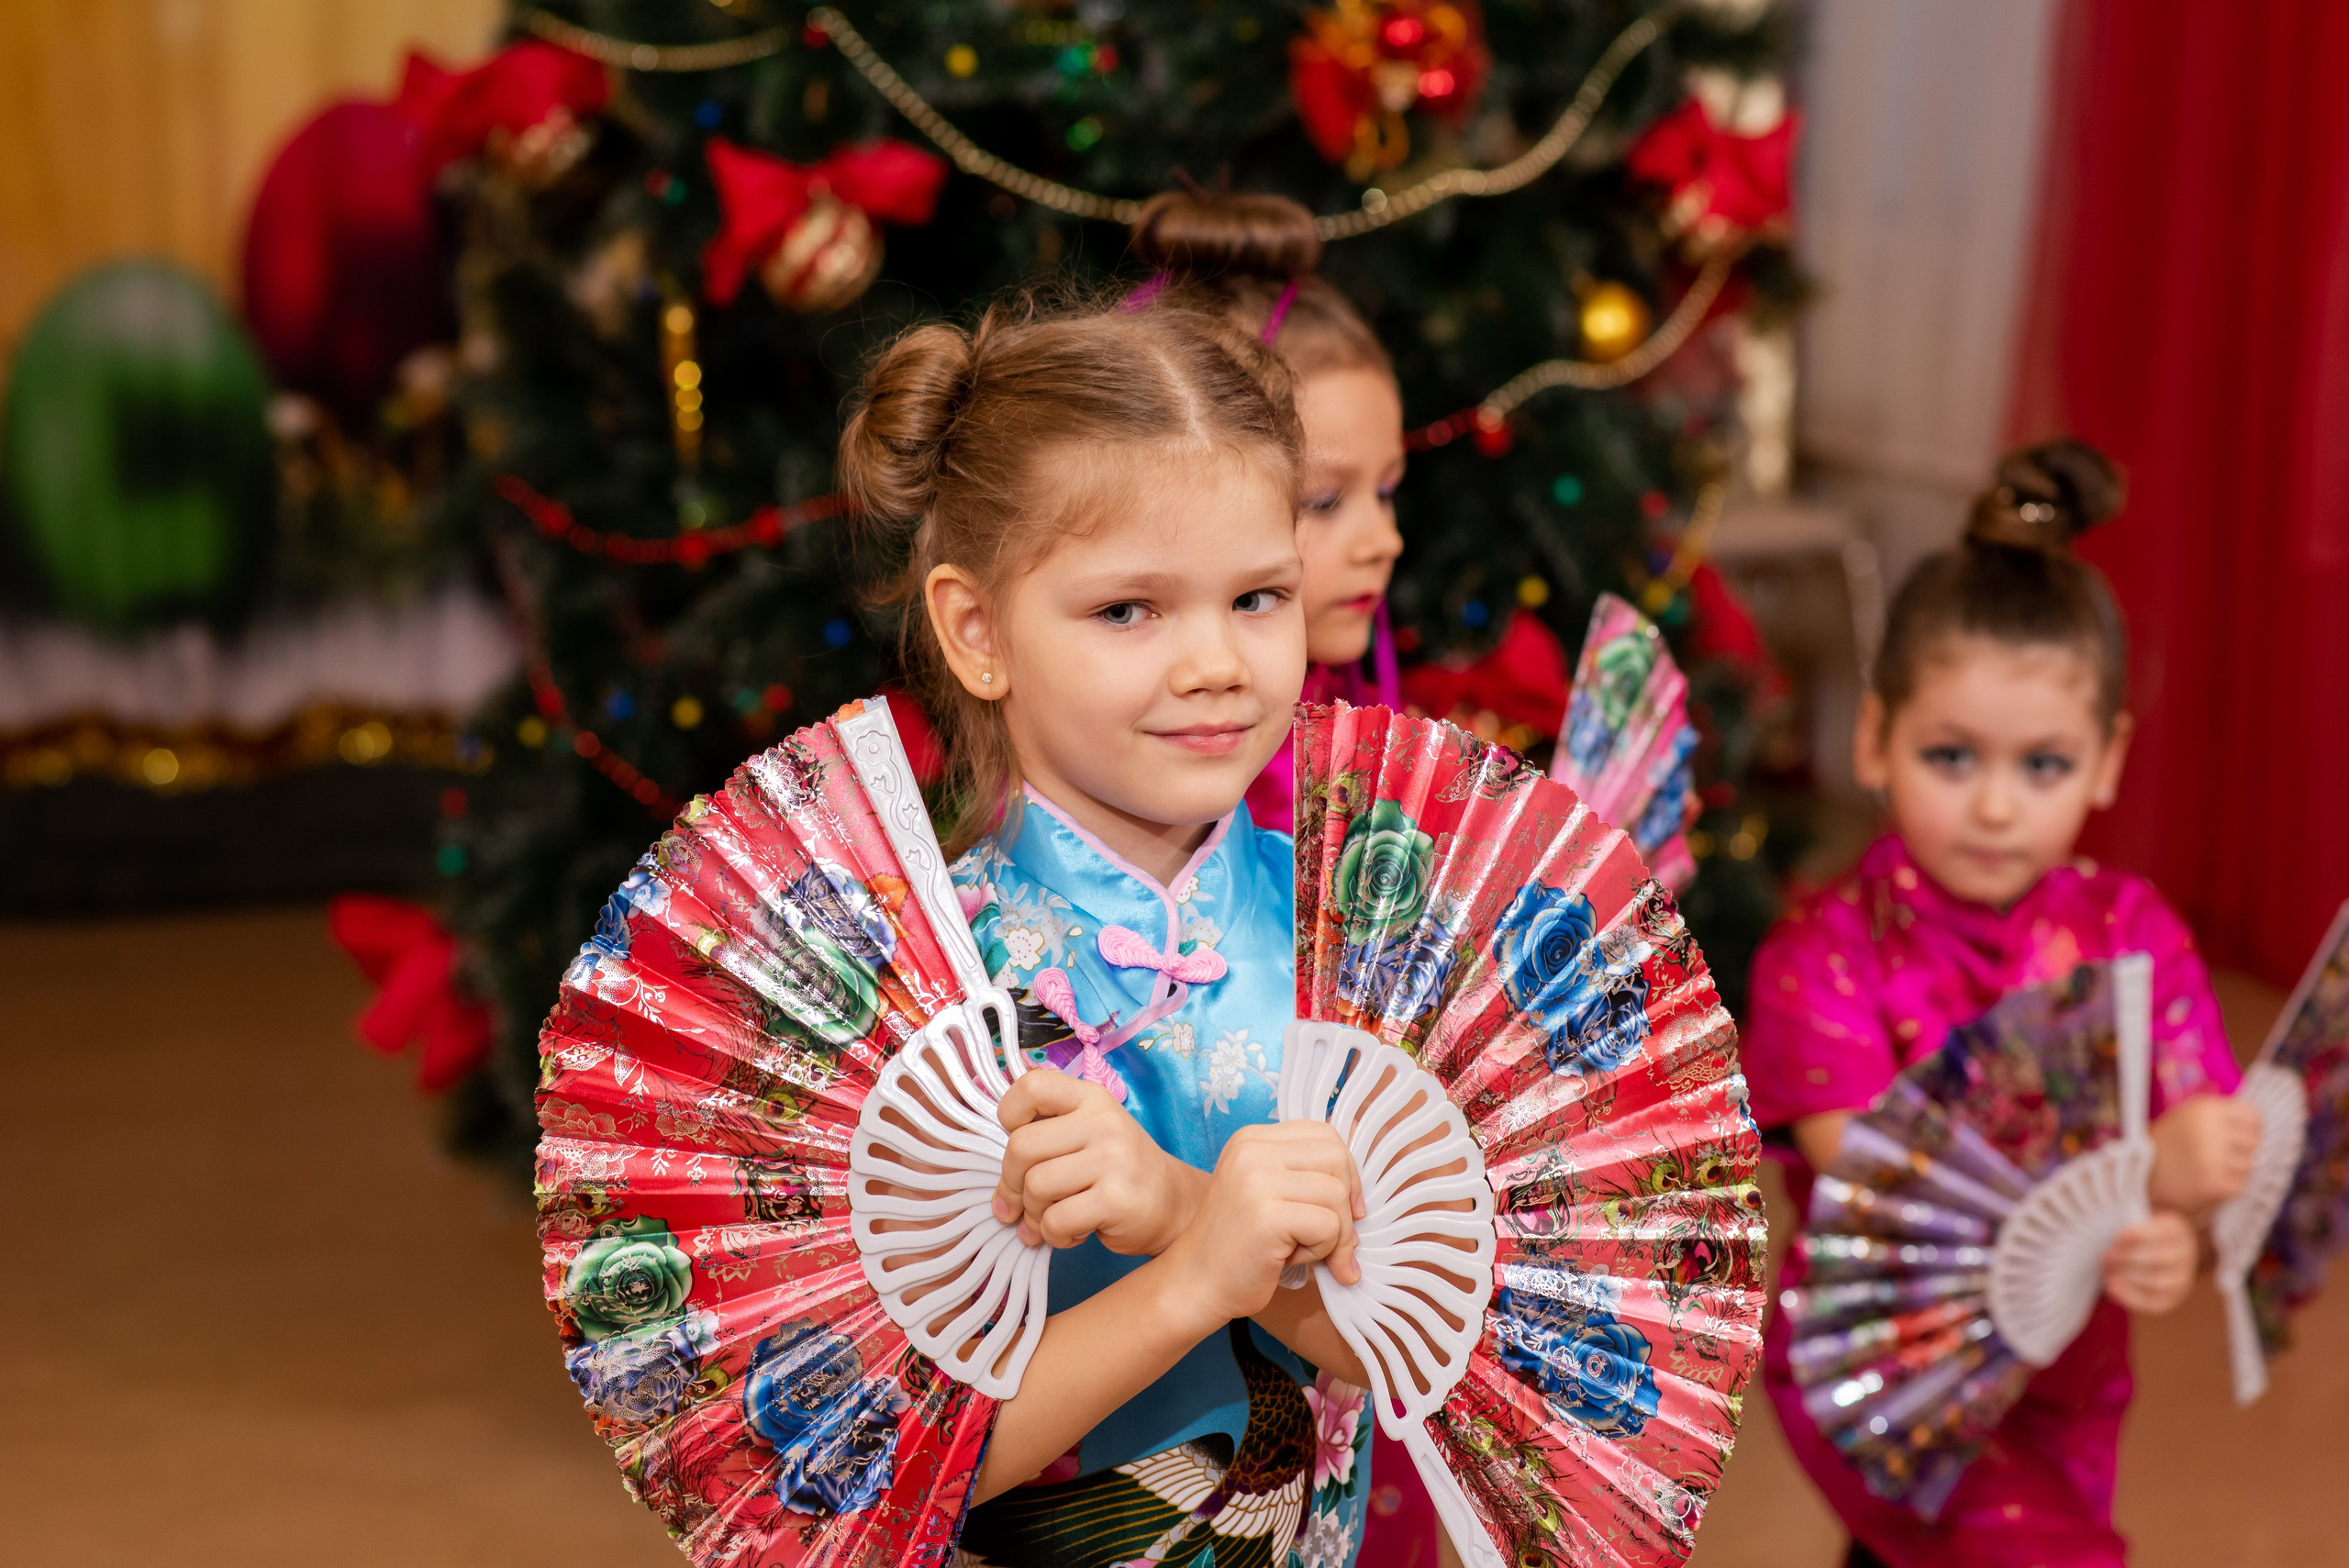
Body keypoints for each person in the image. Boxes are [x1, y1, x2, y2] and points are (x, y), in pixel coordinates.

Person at [838, 288, 1377, 1567]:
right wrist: (1197, 1274)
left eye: (1258, 596)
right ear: (978, 630)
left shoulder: (1355, 937)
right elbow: (895, 1475)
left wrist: (1185, 1206)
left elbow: (1419, 1358)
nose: (1216, 663)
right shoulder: (919, 985)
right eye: (1130, 610)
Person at [1739, 440, 2266, 1568]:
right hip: (1889, 1358)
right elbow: (1888, 1187)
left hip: (2069, 1367)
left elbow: (2198, 1137)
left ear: (2107, 759)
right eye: (1948, 753)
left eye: (2041, 764)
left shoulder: (2133, 934)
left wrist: (2171, 1229)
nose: (1993, 805)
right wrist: (2144, 1171)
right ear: (1876, 736)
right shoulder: (1821, 952)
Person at [1124, 191, 1408, 834]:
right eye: (1325, 500)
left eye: (1387, 490)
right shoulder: (1152, 775)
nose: (1384, 540)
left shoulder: (1359, 723)